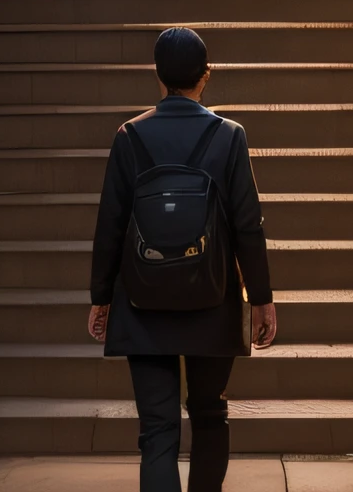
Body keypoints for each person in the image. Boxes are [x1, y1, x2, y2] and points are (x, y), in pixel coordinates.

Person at [88, 26, 276, 492]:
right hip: (212, 298)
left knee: (157, 431)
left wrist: (100, 299)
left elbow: (110, 224)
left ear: (158, 77)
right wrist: (262, 300)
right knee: (210, 415)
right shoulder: (228, 136)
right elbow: (248, 225)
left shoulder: (129, 136)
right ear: (205, 76)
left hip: (142, 302)